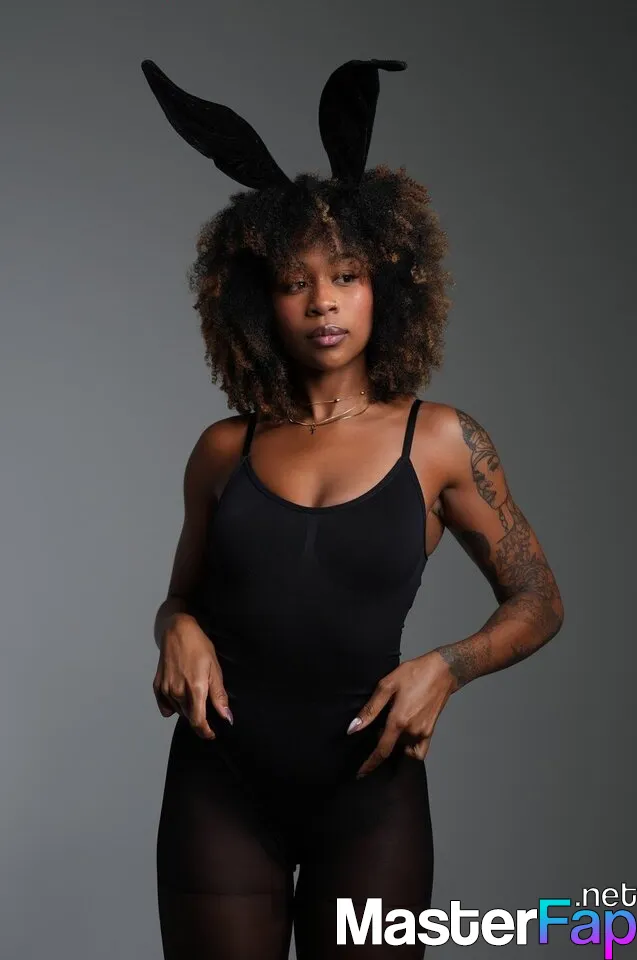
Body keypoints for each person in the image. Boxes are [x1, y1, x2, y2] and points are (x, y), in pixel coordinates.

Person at [142, 58, 564, 959]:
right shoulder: (224, 450)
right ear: (260, 301)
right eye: (294, 281)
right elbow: (183, 598)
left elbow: (539, 600)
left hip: (370, 790)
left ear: (384, 286)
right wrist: (173, 627)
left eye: (344, 275)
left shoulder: (440, 440)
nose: (323, 300)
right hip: (219, 786)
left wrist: (445, 668)